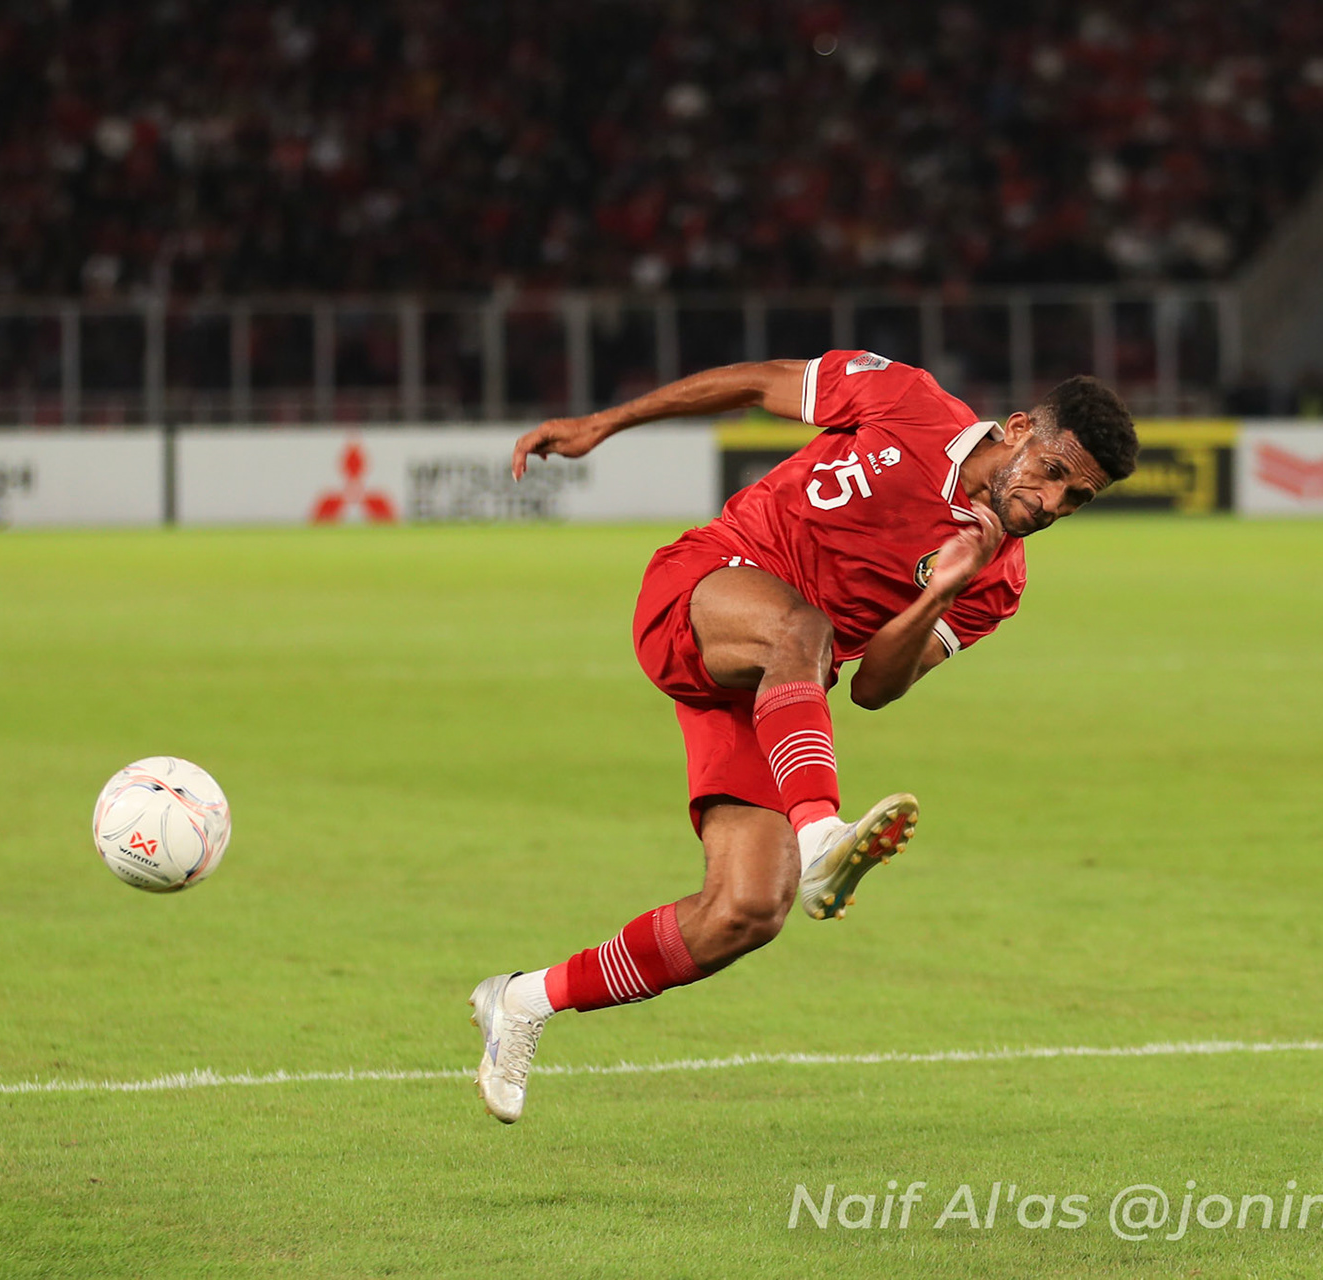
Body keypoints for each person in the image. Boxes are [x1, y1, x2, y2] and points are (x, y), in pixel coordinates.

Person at [468, 351, 1137, 1123]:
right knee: (803, 625)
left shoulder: (999, 581)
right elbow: (755, 383)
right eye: (1051, 471)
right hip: (705, 587)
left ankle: (523, 1001)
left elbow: (878, 686)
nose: (1052, 502)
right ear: (1018, 428)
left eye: (1076, 498)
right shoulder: (904, 399)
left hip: (774, 691)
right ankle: (821, 832)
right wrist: (605, 422)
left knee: (747, 911)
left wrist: (944, 587)